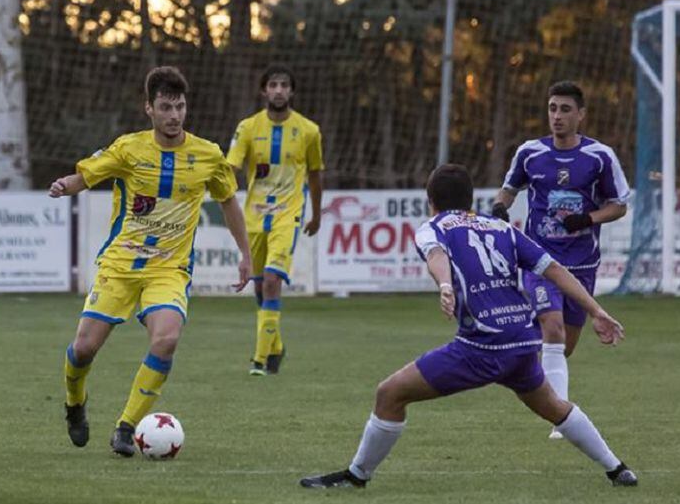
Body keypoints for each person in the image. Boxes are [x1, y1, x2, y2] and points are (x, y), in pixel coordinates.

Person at [300, 164, 637, 489]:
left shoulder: (433, 227)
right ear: (471, 199)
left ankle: (357, 475)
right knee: (554, 406)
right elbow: (555, 269)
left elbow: (437, 257)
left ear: (429, 200)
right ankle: (617, 468)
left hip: (482, 346)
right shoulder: (501, 228)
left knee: (389, 394)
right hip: (522, 339)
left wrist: (445, 285)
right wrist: (596, 310)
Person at [48, 66, 251, 456]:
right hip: (120, 266)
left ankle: (126, 428)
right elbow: (86, 176)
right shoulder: (129, 148)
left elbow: (228, 201)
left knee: (167, 339)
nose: (174, 115)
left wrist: (245, 255)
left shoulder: (208, 155)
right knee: (83, 350)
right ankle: (75, 403)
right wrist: (64, 186)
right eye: (165, 107)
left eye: (180, 106)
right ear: (149, 109)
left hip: (169, 269)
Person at [491, 81, 630, 439]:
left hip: (582, 263)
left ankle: (527, 369)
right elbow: (509, 188)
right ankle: (563, 421)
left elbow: (619, 205)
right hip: (539, 258)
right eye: (553, 108)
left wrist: (589, 218)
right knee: (551, 328)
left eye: (565, 109)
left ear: (581, 114)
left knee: (562, 346)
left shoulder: (599, 157)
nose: (557, 116)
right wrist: (499, 208)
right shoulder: (530, 153)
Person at [226, 63, 323, 376]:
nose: (279, 90)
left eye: (284, 85)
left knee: (271, 282)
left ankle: (259, 360)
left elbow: (316, 174)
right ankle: (276, 347)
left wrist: (316, 213)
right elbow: (231, 168)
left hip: (288, 214)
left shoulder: (309, 131)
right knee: (259, 290)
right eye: (273, 85)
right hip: (253, 217)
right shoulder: (247, 128)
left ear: (291, 91)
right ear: (264, 91)